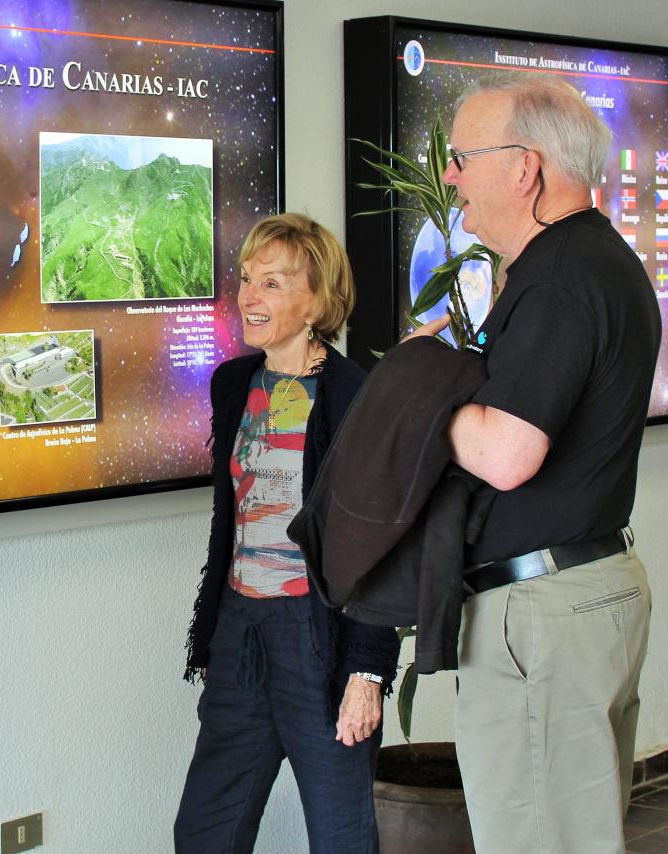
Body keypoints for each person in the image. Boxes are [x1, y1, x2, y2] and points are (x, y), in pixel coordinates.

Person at [426, 74, 660, 853]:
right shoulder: (597, 260)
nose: (450, 176)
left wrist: (421, 395)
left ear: (524, 169)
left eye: (461, 157)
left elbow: (505, 452)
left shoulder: (561, 276)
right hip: (580, 593)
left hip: (544, 613)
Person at [176, 213, 401, 853]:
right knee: (205, 832)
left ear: (318, 301)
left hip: (318, 638)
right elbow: (235, 520)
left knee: (340, 836)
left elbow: (377, 548)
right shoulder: (232, 384)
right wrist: (220, 634)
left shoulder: (355, 396)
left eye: (272, 283)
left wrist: (367, 673)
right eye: (247, 279)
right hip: (240, 630)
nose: (249, 296)